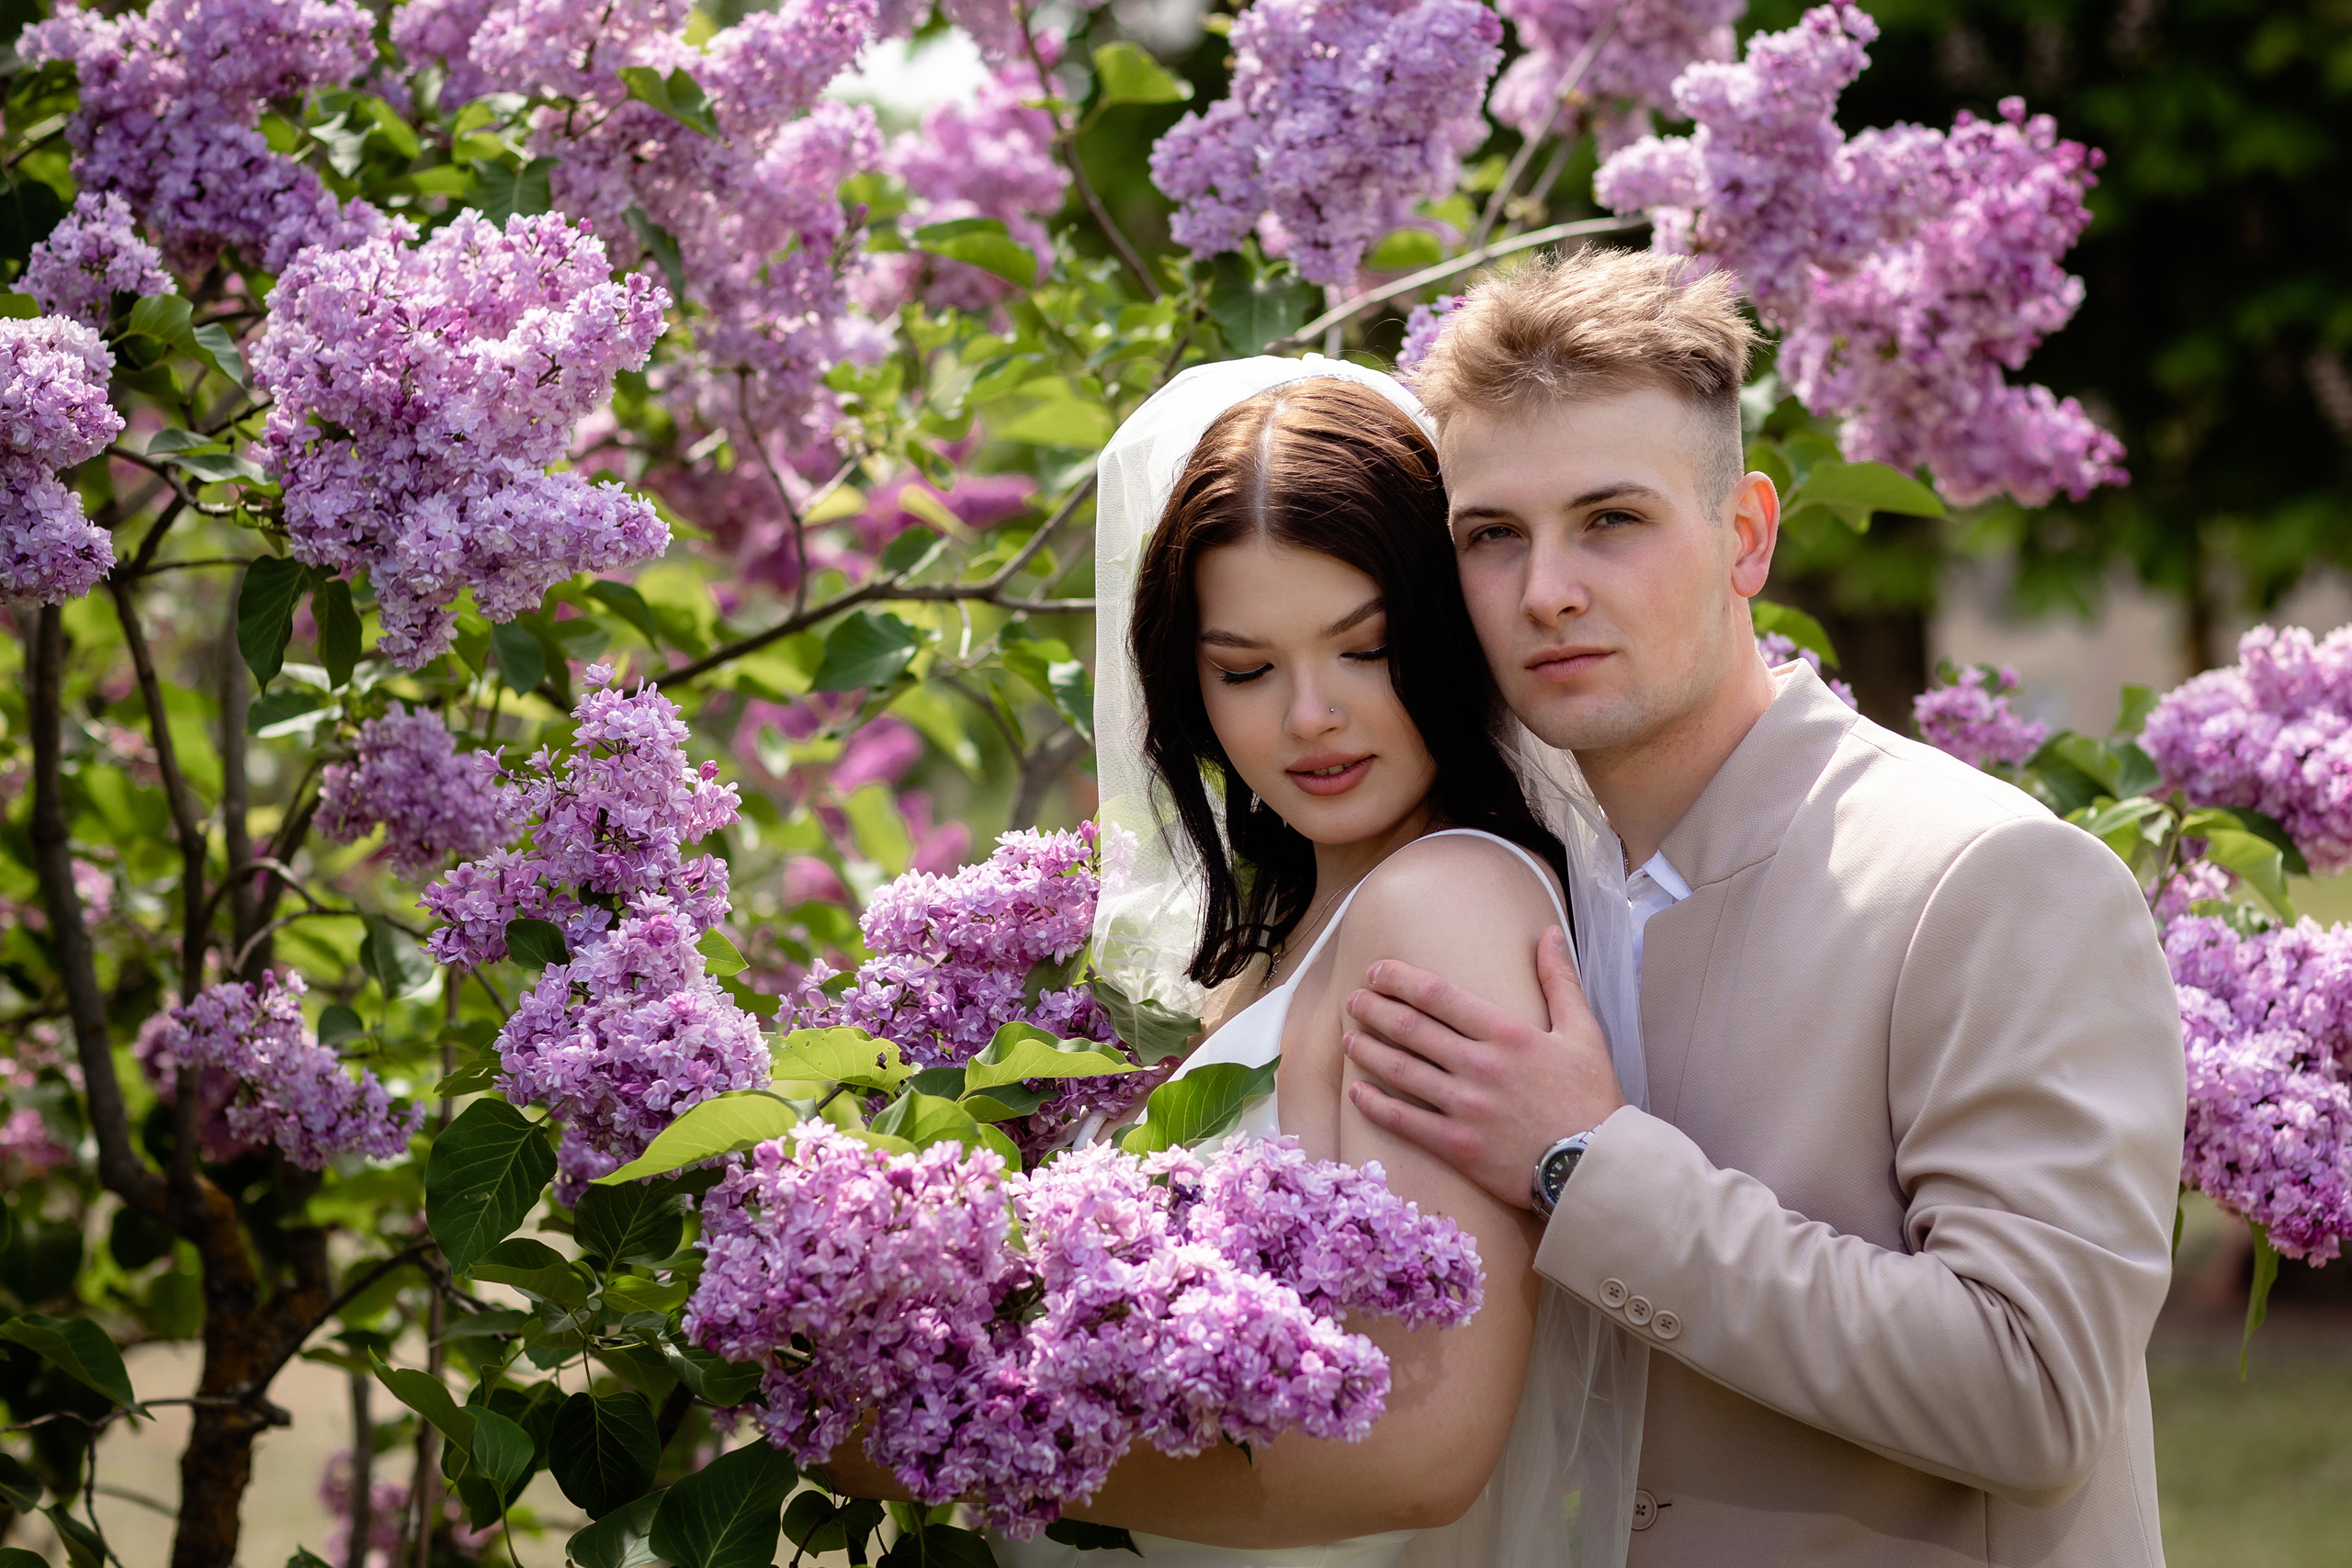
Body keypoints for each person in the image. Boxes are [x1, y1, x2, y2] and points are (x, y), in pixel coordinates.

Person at [1340, 248, 2188, 1566]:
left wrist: (1584, 1164)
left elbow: (2039, 1390)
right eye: (1491, 536)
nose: (1545, 589)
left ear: (1745, 535)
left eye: (1611, 520)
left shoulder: (1989, 878)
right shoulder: (1512, 896)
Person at [825, 357, 1651, 1568]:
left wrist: (937, 1436)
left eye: (1364, 650)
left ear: (1446, 632)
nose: (1308, 716)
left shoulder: (1443, 908)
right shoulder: (1294, 938)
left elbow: (1420, 1451)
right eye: (1246, 670)